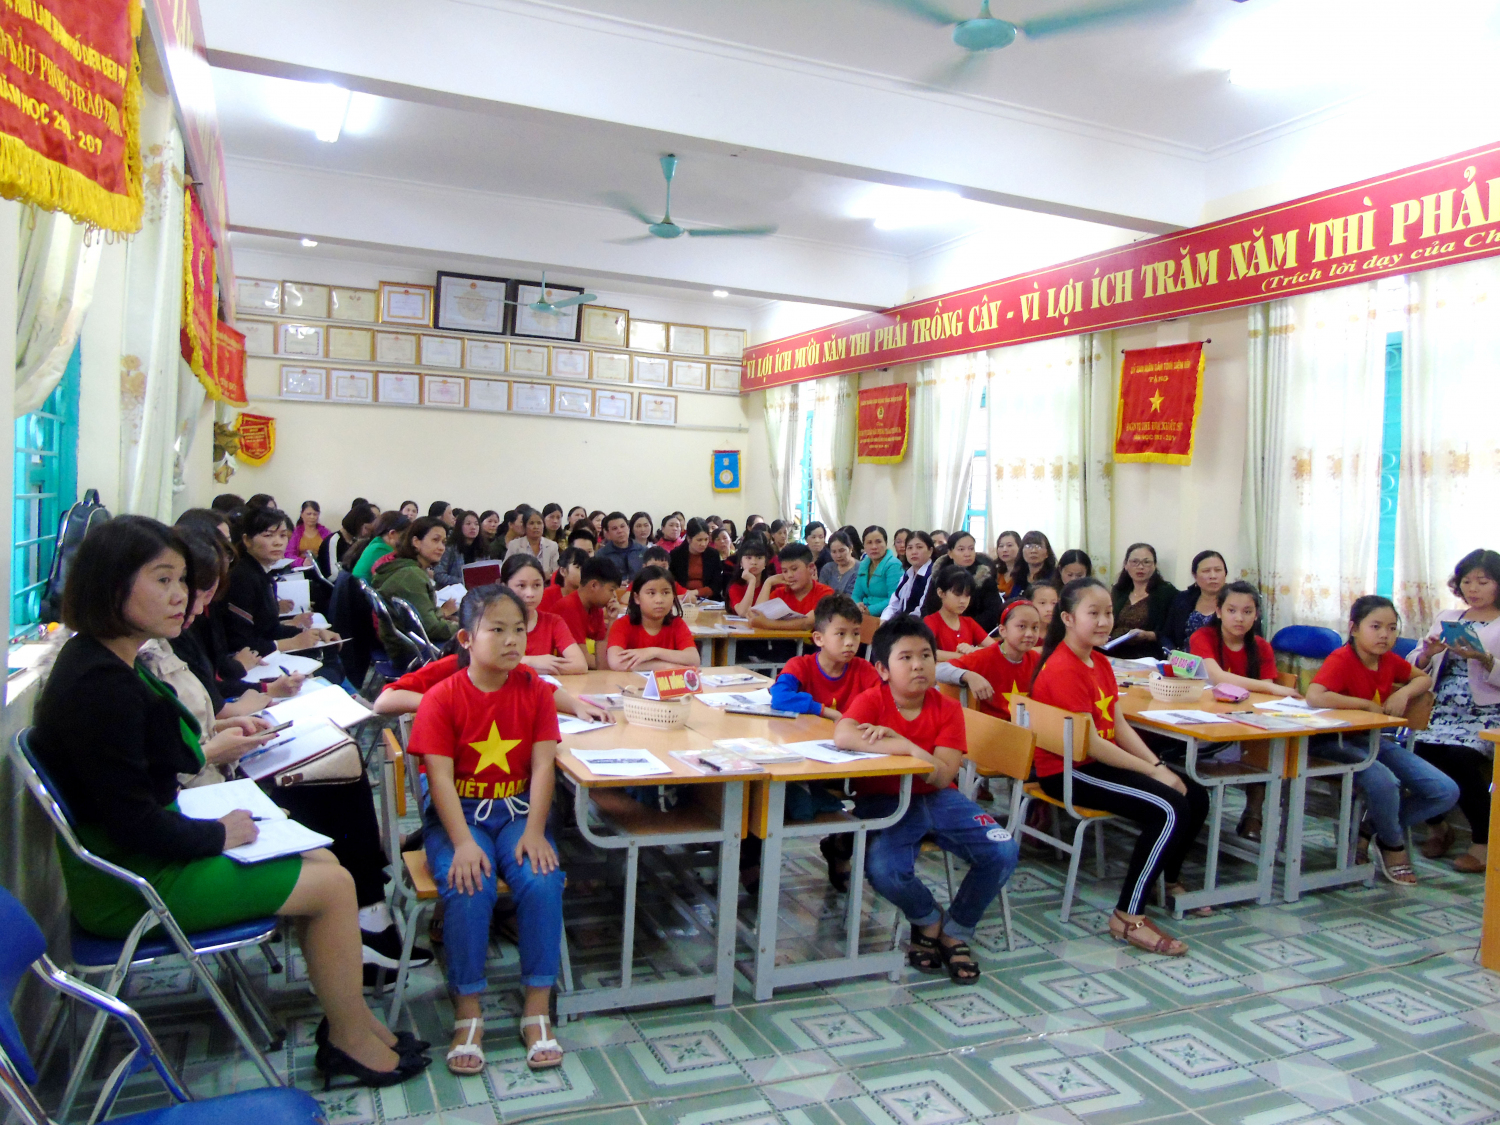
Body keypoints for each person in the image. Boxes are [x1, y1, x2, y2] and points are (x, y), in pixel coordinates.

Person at [33, 517, 429, 1086]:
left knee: (325, 860)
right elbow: (131, 823)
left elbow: (159, 759)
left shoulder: (115, 660)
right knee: (332, 887)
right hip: (133, 882)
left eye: (182, 580)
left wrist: (218, 746)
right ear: (111, 584)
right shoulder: (99, 687)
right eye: (163, 580)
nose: (180, 596)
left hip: (151, 847)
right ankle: (348, 1037)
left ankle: (355, 1020)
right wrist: (221, 833)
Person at [169, 526, 433, 978]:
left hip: (220, 760)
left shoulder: (177, 633)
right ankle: (366, 911)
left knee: (341, 761)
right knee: (333, 777)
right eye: (170, 584)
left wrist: (232, 720)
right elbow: (184, 743)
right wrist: (224, 734)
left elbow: (205, 704)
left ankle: (368, 899)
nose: (187, 599)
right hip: (207, 795)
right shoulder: (144, 656)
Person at [409, 586, 566, 1075]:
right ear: (466, 639)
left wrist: (535, 830)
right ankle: (468, 1009)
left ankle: (537, 1006)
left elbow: (544, 767)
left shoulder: (536, 691)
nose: (511, 640)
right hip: (460, 816)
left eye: (519, 629)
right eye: (496, 630)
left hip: (518, 813)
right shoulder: (442, 697)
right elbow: (438, 779)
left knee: (542, 880)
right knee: (468, 883)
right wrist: (460, 843)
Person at [1030, 578, 1210, 954]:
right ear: (1067, 618)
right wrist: (1152, 772)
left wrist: (1156, 763)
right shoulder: (1062, 667)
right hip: (1069, 770)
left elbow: (1117, 722)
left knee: (1195, 794)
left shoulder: (1098, 660)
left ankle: (1165, 879)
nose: (1104, 621)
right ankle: (1127, 917)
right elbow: (1091, 744)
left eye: (1108, 612)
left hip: (1098, 761)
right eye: (1093, 613)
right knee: (1169, 807)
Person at [835, 617, 1019, 984]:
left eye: (926, 656)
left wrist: (906, 747)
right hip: (886, 802)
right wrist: (911, 751)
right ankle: (928, 917)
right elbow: (843, 735)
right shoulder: (873, 699)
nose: (918, 665)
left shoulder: (947, 708)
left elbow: (943, 775)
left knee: (1003, 850)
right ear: (883, 670)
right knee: (884, 870)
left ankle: (956, 929)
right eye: (905, 658)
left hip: (940, 800)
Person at [1307, 596, 1454, 886]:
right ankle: (1392, 844)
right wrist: (1364, 704)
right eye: (1375, 627)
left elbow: (1423, 679)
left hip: (1371, 740)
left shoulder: (1388, 660)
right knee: (1384, 782)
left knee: (1443, 790)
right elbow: (1315, 696)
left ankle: (1368, 829)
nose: (1385, 635)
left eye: (1391, 628)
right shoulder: (1342, 659)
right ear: (1354, 629)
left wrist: (1404, 693)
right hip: (1332, 741)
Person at [1188, 580, 1300, 841]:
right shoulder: (1202, 637)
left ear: (1256, 615)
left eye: (1247, 611)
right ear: (1219, 611)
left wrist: (1267, 689)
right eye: (1232, 610)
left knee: (1266, 743)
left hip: (1243, 723)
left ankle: (1253, 813)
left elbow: (1265, 696)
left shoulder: (1261, 646)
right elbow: (1217, 677)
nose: (1239, 618)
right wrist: (1268, 687)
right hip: (1204, 723)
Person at [1410, 549, 1500, 873]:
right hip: (1441, 710)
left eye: (1483, 582)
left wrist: (1484, 659)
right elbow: (1412, 663)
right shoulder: (1448, 617)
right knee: (1418, 754)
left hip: (1486, 715)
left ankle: (1483, 843)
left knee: (1459, 759)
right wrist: (1427, 654)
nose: (1473, 588)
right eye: (1467, 581)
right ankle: (1438, 829)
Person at [225, 507, 340, 659]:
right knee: (329, 663)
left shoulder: (263, 573)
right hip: (250, 662)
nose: (278, 542)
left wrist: (314, 633)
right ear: (247, 540)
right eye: (268, 535)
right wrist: (292, 643)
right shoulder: (241, 578)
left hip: (265, 653)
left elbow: (271, 629)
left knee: (330, 652)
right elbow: (240, 644)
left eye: (283, 535)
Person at [938, 598, 1042, 722]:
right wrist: (969, 676)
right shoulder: (985, 657)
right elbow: (939, 670)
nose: (1029, 634)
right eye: (1022, 626)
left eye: (1035, 627)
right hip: (989, 727)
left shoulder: (1036, 659)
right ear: (1003, 630)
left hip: (1024, 725)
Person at [372, 517, 459, 653]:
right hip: (412, 651)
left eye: (443, 542)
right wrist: (465, 626)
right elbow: (431, 628)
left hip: (404, 645)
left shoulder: (405, 567)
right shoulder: (411, 575)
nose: (441, 547)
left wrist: (443, 615)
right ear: (416, 542)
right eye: (435, 540)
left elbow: (423, 615)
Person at [501, 554, 587, 676]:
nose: (530, 594)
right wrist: (532, 662)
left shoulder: (553, 622)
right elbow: (488, 662)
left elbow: (579, 664)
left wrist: (519, 666)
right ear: (504, 587)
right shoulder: (493, 624)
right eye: (521, 586)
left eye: (536, 585)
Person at [606, 566, 700, 671]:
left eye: (666, 593)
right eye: (651, 593)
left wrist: (654, 652)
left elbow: (694, 659)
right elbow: (616, 662)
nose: (659, 600)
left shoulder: (677, 623)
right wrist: (664, 666)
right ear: (637, 598)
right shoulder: (623, 624)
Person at [1108, 542, 1178, 660]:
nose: (1140, 567)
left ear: (1154, 565)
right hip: (1114, 652)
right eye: (1135, 562)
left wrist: (1148, 635)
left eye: (1146, 562)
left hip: (1147, 656)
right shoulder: (1118, 591)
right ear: (1126, 565)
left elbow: (1172, 631)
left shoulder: (1167, 593)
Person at [554, 556, 622, 668]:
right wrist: (616, 664)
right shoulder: (568, 607)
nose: (614, 595)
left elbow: (602, 652)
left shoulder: (596, 608)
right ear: (594, 585)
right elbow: (583, 659)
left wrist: (612, 620)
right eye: (611, 589)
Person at [750, 543, 834, 632]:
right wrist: (768, 583)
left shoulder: (825, 593)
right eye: (785, 571)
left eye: (794, 569)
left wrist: (767, 624)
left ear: (811, 567)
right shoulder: (780, 594)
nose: (789, 575)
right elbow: (756, 617)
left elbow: (808, 623)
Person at [1164, 550, 1229, 653]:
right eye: (1206, 571)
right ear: (1195, 575)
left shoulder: (1236, 600)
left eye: (1218, 570)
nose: (1213, 576)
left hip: (1222, 659)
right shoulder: (1183, 599)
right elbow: (1166, 635)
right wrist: (1171, 652)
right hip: (1185, 660)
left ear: (1225, 573)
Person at [922, 566, 989, 661]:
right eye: (957, 595)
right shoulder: (931, 621)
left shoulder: (969, 623)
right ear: (941, 593)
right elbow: (926, 652)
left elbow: (997, 649)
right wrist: (965, 656)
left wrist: (974, 650)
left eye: (967, 595)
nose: (963, 601)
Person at [941, 531, 1003, 632]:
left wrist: (965, 629)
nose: (967, 554)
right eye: (961, 549)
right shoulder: (940, 575)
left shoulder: (985, 577)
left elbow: (993, 612)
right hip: (941, 629)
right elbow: (928, 606)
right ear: (950, 553)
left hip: (974, 631)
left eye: (971, 549)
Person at [882, 531, 935, 621]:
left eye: (919, 547)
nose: (914, 552)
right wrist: (884, 620)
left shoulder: (933, 575)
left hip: (919, 625)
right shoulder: (907, 574)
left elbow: (922, 611)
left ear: (930, 551)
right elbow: (894, 604)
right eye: (909, 548)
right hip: (903, 623)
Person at [853, 525, 903, 617]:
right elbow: (856, 594)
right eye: (869, 542)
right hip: (863, 613)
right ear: (864, 546)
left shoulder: (894, 565)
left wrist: (870, 610)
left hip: (887, 616)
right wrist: (857, 605)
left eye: (878, 542)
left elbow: (895, 599)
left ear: (886, 543)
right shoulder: (864, 564)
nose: (874, 547)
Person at [347, 511, 411, 582]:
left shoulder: (376, 543)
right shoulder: (383, 550)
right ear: (392, 534)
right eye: (404, 536)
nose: (406, 540)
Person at [670, 517, 724, 599]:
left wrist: (696, 593)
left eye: (706, 539)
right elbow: (671, 581)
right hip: (682, 597)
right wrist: (686, 593)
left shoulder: (713, 555)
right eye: (699, 540)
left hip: (708, 598)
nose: (703, 544)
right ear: (689, 539)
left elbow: (716, 584)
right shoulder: (676, 555)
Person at [322, 503, 376, 579]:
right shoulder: (334, 540)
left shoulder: (354, 541)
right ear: (357, 523)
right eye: (366, 528)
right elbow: (332, 575)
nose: (367, 533)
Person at [436, 510, 486, 588]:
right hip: (452, 591)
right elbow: (439, 575)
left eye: (476, 524)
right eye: (468, 524)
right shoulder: (449, 547)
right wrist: (464, 582)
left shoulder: (483, 547)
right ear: (460, 526)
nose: (473, 527)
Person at [503, 510, 560, 578]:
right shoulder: (515, 545)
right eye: (531, 523)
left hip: (546, 582)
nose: (536, 527)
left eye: (539, 523)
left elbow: (556, 572)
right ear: (524, 526)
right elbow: (505, 570)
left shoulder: (552, 546)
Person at [726, 538, 771, 617]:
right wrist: (752, 581)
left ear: (765, 563)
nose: (753, 562)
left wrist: (769, 582)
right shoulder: (735, 587)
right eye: (748, 558)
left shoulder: (772, 585)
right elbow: (743, 613)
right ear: (741, 563)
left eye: (759, 558)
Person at [597, 511, 647, 582]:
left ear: (628, 528)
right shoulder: (601, 555)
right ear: (607, 534)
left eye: (622, 526)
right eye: (614, 528)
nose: (620, 531)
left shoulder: (643, 550)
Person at [542, 547, 585, 613]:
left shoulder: (589, 597)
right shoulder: (547, 595)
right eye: (578, 567)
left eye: (585, 568)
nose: (584, 572)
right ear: (563, 571)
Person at [819, 529, 860, 597]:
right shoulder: (827, 569)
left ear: (850, 548)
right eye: (834, 552)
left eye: (842, 551)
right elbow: (821, 593)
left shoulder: (861, 568)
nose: (838, 556)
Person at [994, 531, 1021, 598]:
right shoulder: (995, 572)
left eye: (1009, 545)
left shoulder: (1024, 574)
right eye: (1001, 546)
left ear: (1020, 547)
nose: (1004, 550)